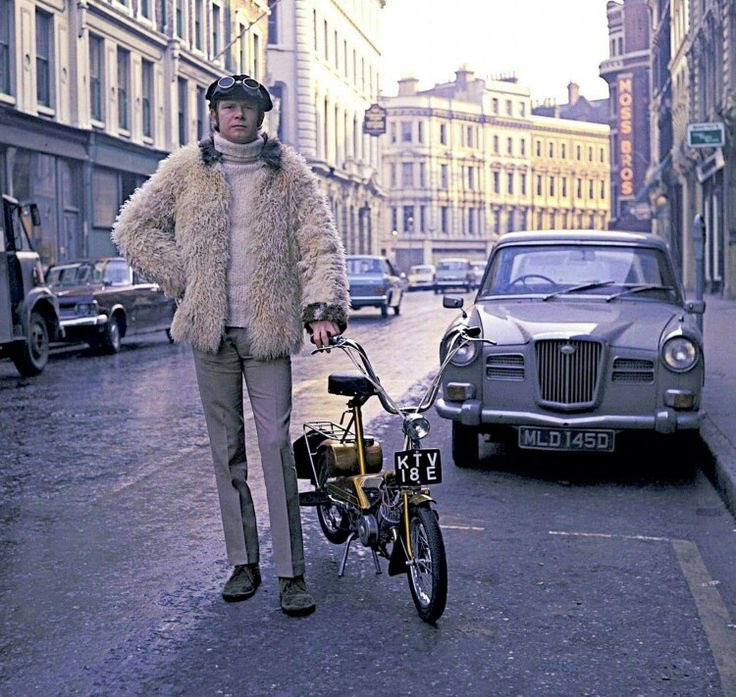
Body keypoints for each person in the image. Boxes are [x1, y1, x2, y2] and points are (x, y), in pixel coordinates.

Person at [111, 74, 350, 616]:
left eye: (246, 107)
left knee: (275, 446)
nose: (237, 115)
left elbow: (319, 244)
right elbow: (134, 229)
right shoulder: (185, 168)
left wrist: (321, 310)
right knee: (226, 451)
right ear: (214, 115)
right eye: (228, 107)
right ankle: (243, 563)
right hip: (211, 332)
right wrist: (187, 279)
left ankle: (291, 573)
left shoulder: (288, 172)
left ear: (261, 116)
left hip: (266, 331)